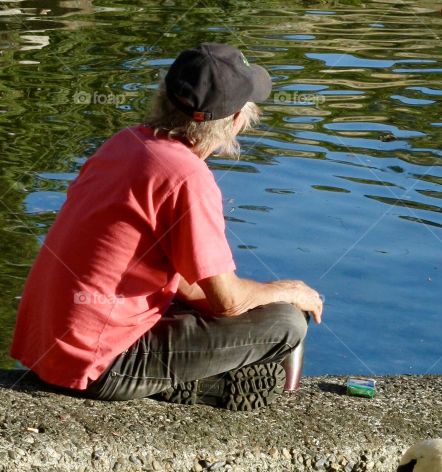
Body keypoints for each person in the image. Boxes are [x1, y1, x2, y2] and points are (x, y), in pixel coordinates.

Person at [11, 42, 323, 410]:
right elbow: (228, 301)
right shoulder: (188, 176)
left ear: (165, 94)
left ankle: (187, 377)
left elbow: (187, 284)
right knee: (286, 323)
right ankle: (198, 386)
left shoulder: (124, 143)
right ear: (237, 120)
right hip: (100, 364)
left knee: (208, 301)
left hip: (47, 347)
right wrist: (286, 291)